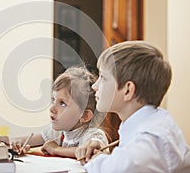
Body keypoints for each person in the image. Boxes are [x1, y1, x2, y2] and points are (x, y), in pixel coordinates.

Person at [75, 41, 190, 172]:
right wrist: (105, 153)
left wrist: (98, 160)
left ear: (128, 90)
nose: (95, 86)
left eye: (103, 77)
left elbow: (120, 168)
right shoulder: (156, 121)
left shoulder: (150, 140)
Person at [11, 66, 109, 158]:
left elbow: (89, 151)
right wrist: (18, 143)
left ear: (84, 115)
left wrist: (57, 149)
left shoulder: (94, 135)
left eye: (62, 103)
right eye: (53, 99)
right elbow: (29, 140)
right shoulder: (56, 132)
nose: (52, 108)